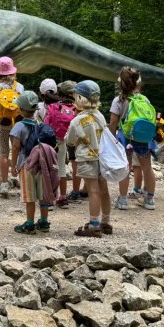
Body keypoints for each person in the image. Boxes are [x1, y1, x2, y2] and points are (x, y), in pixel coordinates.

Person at [66, 81, 112, 237]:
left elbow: (70, 141)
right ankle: (106, 222)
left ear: (80, 98)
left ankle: (93, 224)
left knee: (93, 191)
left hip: (87, 158)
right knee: (104, 190)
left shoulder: (77, 120)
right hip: (102, 157)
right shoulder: (100, 116)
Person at [109, 66, 156, 210]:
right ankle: (149, 200)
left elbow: (113, 122)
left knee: (125, 168)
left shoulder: (119, 100)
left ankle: (123, 201)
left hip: (126, 138)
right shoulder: (144, 99)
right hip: (143, 138)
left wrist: (112, 138)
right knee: (147, 168)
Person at [10, 91, 51, 234]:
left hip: (26, 166)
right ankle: (44, 222)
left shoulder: (19, 126)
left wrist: (13, 165)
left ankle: (29, 224)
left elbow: (15, 147)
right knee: (43, 194)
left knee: (30, 197)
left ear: (20, 109)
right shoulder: (41, 124)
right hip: (42, 164)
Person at [0, 56, 24, 198]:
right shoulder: (19, 87)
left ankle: (4, 184)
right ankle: (23, 182)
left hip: (3, 122)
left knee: (4, 152)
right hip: (18, 122)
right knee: (20, 150)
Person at [41, 78, 75, 208]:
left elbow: (46, 125)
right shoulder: (74, 108)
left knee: (49, 169)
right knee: (61, 169)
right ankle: (63, 198)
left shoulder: (53, 107)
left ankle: (50, 198)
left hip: (51, 142)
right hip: (64, 141)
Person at [58, 80, 87, 203]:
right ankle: (86, 189)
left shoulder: (60, 105)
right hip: (86, 136)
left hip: (71, 138)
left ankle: (75, 192)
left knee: (75, 165)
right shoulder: (83, 103)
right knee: (86, 163)